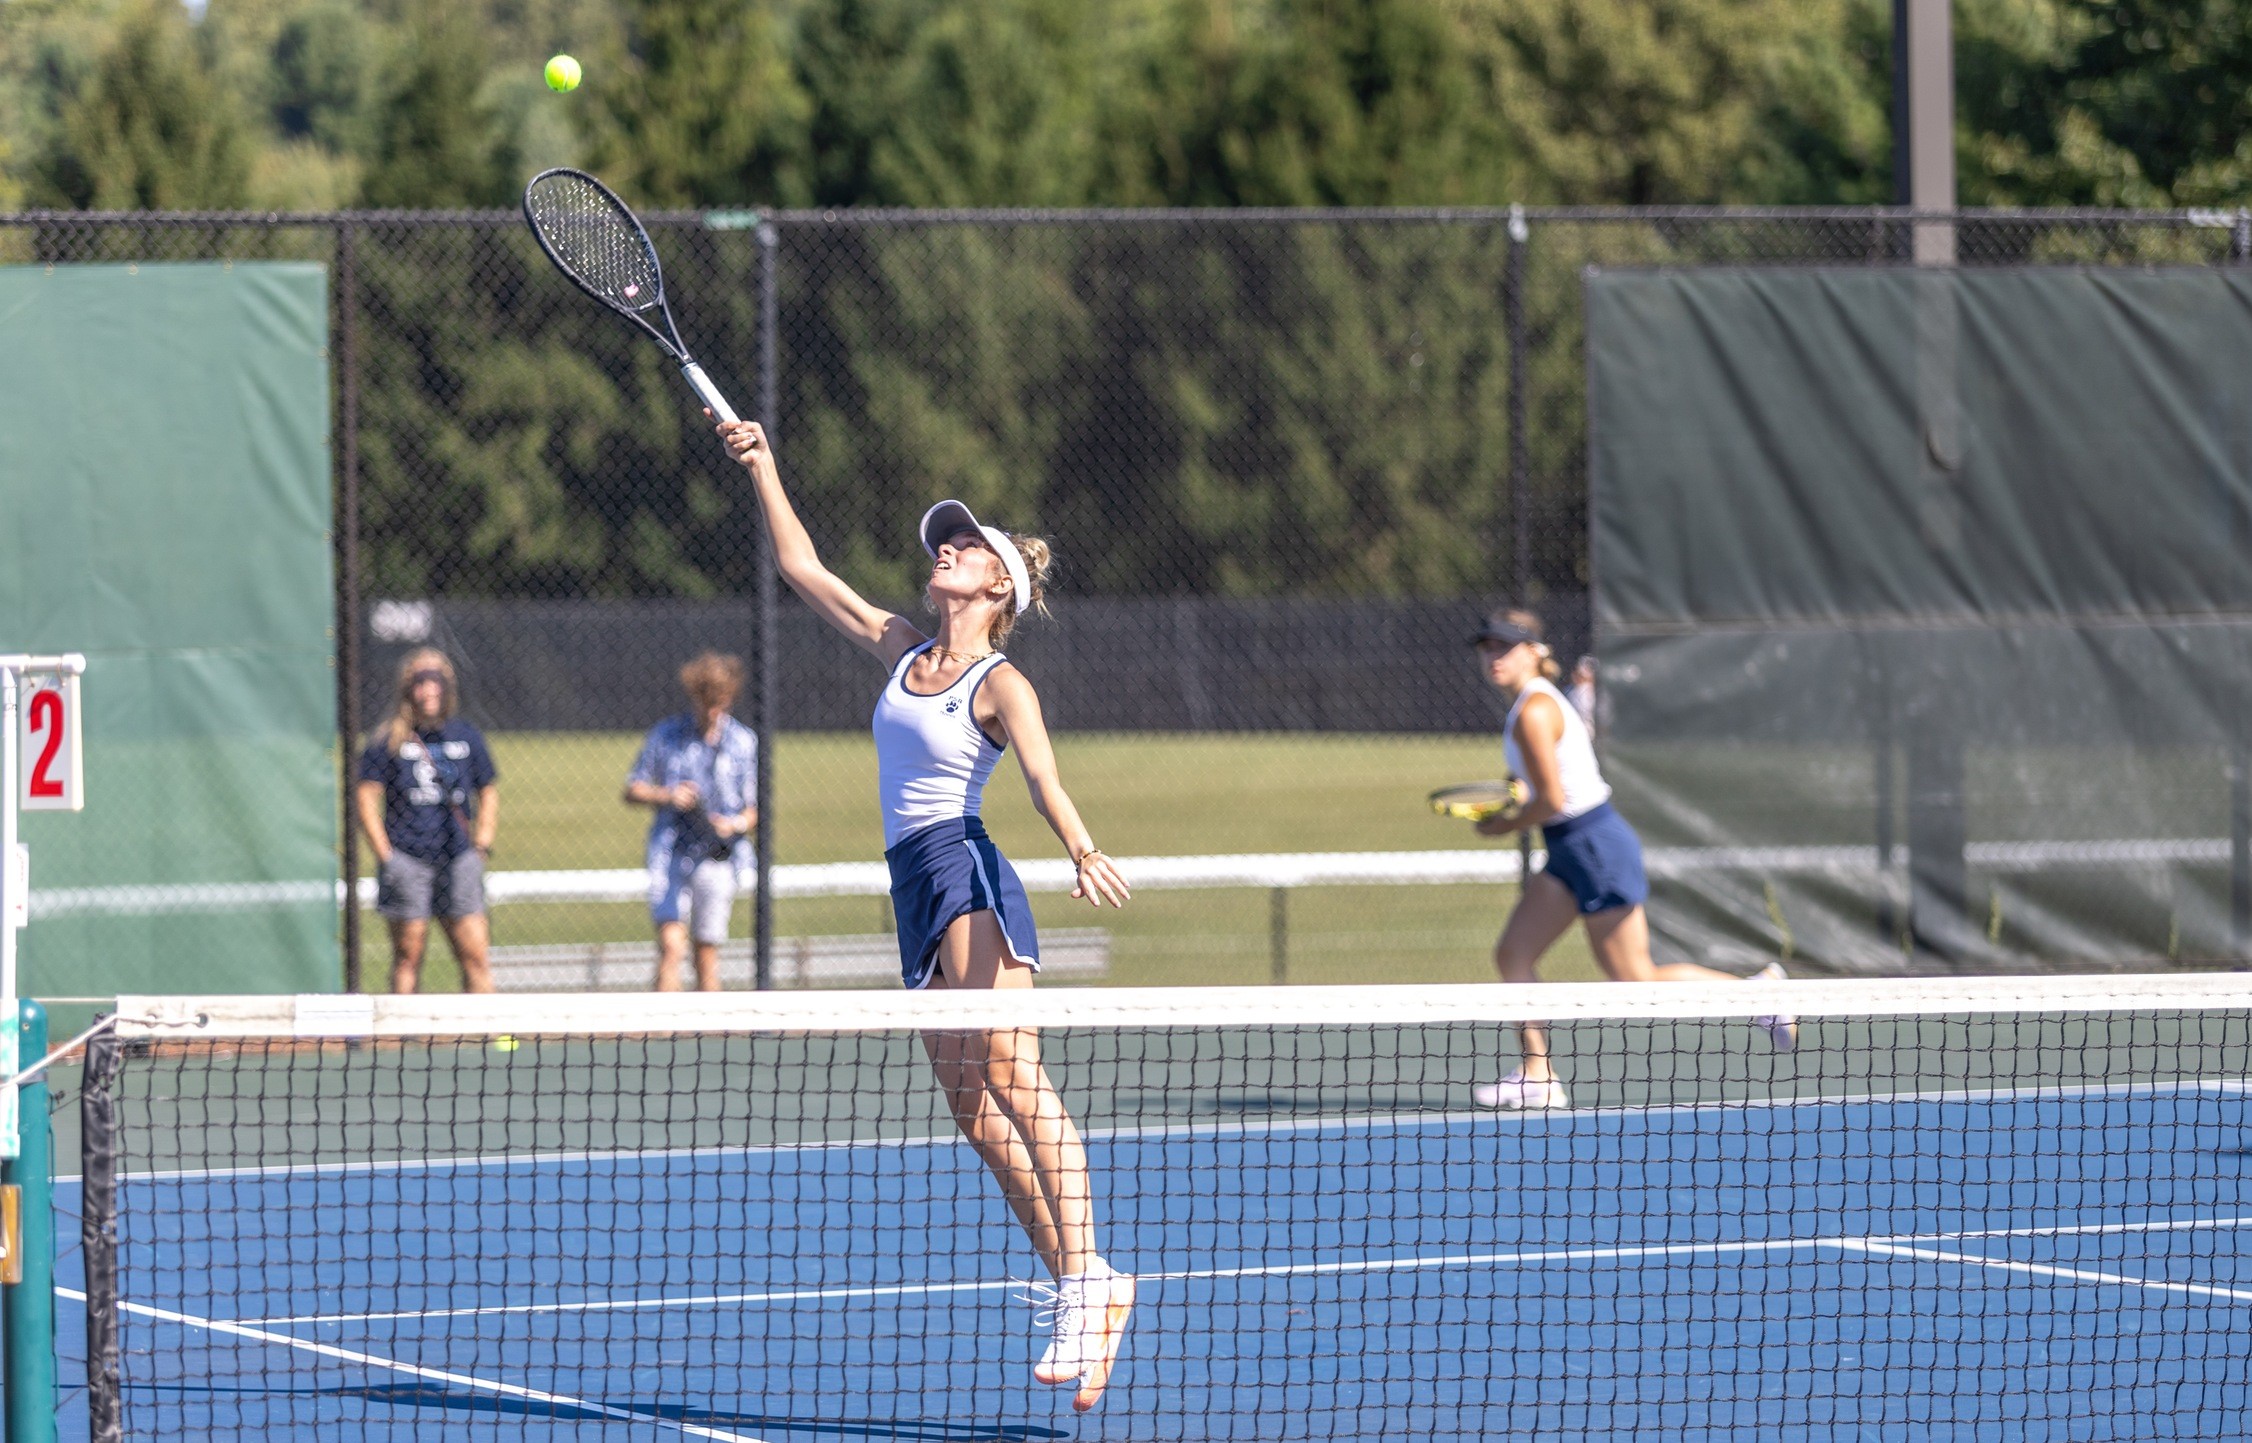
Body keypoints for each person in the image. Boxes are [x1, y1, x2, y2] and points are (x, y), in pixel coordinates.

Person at [716, 413, 1137, 1412]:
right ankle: (1096, 1282)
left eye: (965, 547)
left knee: (1011, 1071)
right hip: (909, 883)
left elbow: (1040, 777)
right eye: (945, 543)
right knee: (970, 1110)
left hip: (964, 869)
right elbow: (803, 570)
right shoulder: (903, 648)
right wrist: (765, 464)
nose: (945, 551)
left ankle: (1081, 1283)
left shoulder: (1003, 682)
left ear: (996, 588)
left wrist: (1079, 847)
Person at [1463, 610, 1794, 1109]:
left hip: (1593, 846)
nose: (1494, 656)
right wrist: (1515, 800)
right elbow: (1545, 789)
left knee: (1636, 978)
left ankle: (1760, 995)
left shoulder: (1533, 711)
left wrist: (1500, 825)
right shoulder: (1529, 708)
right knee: (1513, 954)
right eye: (1487, 647)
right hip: (1569, 850)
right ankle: (1539, 1075)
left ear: (1535, 650)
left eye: (1506, 646)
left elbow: (1552, 800)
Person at [356, 649, 499, 994]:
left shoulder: (466, 736)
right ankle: (403, 1043)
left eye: (436, 681)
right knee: (408, 955)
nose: (428, 690)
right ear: (407, 688)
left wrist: (482, 843)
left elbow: (488, 790)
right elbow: (365, 798)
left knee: (475, 954)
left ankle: (493, 1037)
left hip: (460, 858)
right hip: (408, 859)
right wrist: (386, 855)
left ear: (448, 686)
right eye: (420, 682)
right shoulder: (386, 740)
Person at [624, 652, 758, 992]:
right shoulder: (666, 735)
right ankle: (660, 1036)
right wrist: (668, 796)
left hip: (717, 858)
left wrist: (734, 824)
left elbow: (753, 809)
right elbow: (632, 789)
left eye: (719, 703)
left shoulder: (743, 742)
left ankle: (708, 1040)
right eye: (705, 702)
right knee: (671, 947)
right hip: (670, 854)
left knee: (707, 953)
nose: (711, 712)